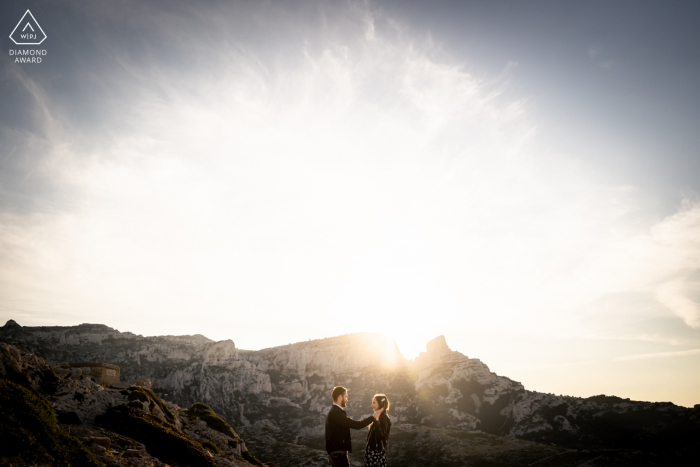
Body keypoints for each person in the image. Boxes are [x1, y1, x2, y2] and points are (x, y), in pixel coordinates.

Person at [325, 386, 383, 467]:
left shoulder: (335, 412)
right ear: (340, 397)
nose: (347, 400)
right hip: (338, 455)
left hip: (337, 454)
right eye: (346, 397)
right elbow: (356, 425)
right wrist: (373, 417)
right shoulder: (336, 413)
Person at [364, 394, 391, 467]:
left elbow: (381, 436)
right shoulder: (379, 416)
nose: (372, 405)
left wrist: (377, 421)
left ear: (380, 404)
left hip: (376, 453)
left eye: (374, 403)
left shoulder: (383, 418)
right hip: (373, 452)